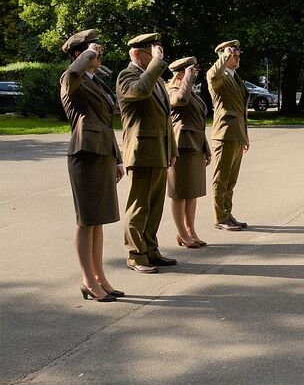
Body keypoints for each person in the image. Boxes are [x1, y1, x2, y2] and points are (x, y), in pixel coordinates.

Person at [59, 29, 125, 301]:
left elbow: (107, 123)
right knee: (86, 221)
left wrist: (118, 158)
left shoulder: (95, 82)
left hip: (102, 153)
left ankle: (100, 278)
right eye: (94, 51)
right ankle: (87, 280)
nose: (99, 55)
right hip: (85, 154)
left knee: (98, 221)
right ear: (79, 54)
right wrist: (88, 53)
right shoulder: (71, 78)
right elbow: (74, 74)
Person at [117, 33, 177, 273]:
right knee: (139, 206)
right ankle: (135, 254)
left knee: (154, 206)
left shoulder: (158, 80)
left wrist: (171, 149)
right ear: (136, 54)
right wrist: (155, 65)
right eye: (151, 53)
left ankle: (151, 249)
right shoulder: (127, 76)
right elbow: (139, 91)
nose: (157, 57)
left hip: (159, 150)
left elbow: (166, 118)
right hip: (141, 151)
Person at [166, 56, 211, 248]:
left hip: (196, 146)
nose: (195, 74)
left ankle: (190, 230)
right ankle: (181, 232)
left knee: (192, 192)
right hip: (181, 147)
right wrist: (186, 80)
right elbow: (180, 100)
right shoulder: (172, 90)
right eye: (192, 71)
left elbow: (200, 122)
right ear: (181, 73)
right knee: (179, 193)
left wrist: (206, 148)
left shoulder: (191, 92)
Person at [207, 40, 250, 231]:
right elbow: (212, 75)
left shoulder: (235, 77)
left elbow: (241, 110)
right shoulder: (219, 76)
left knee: (231, 180)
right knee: (221, 178)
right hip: (224, 134)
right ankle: (220, 218)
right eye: (234, 54)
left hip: (236, 134)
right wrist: (224, 57)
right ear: (223, 56)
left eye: (238, 54)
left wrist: (245, 136)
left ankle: (227, 213)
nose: (237, 57)